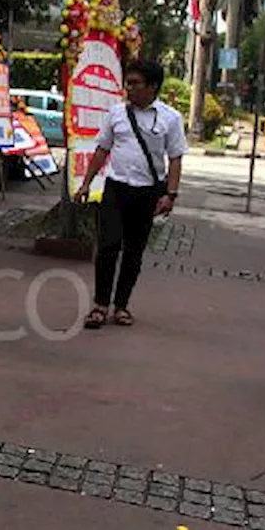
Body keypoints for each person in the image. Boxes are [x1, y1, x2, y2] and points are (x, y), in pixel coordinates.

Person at [74, 59, 189, 329]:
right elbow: (102, 150)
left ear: (153, 87)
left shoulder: (170, 118)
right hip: (116, 188)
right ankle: (100, 305)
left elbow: (175, 158)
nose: (130, 88)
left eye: (136, 83)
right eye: (128, 83)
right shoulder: (115, 113)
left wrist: (170, 195)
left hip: (148, 193)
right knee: (108, 246)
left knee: (134, 251)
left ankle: (122, 306)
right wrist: (86, 183)